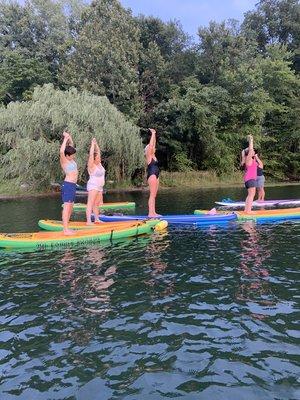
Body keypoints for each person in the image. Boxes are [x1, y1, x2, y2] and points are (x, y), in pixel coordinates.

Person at [60, 131, 78, 235]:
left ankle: (67, 228)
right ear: (67, 155)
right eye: (72, 155)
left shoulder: (71, 160)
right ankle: (65, 230)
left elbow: (71, 145)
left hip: (72, 186)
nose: (74, 156)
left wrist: (69, 137)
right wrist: (65, 139)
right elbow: (62, 151)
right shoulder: (64, 160)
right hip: (68, 185)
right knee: (67, 207)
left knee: (70, 207)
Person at [86, 138, 105, 224]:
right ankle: (89, 221)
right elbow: (91, 155)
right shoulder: (92, 165)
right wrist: (92, 145)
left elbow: (98, 152)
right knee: (91, 203)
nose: (100, 158)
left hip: (100, 187)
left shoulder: (99, 164)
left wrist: (96, 144)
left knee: (97, 204)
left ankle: (96, 219)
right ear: (94, 159)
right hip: (93, 186)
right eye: (98, 157)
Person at [145, 128, 160, 217]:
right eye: (152, 148)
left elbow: (153, 144)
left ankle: (154, 212)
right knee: (152, 194)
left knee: (154, 195)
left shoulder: (153, 155)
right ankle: (150, 213)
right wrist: (153, 134)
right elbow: (151, 146)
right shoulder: (149, 156)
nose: (154, 148)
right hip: (152, 174)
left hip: (156, 174)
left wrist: (155, 135)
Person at [242, 134, 257, 213]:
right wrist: (251, 140)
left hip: (248, 179)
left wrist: (244, 151)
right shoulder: (249, 159)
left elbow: (245, 152)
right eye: (253, 151)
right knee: (251, 195)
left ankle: (246, 210)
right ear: (250, 153)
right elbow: (250, 150)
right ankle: (249, 211)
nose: (254, 151)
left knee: (249, 195)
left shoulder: (249, 159)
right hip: (250, 179)